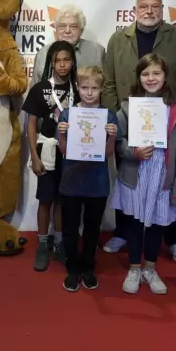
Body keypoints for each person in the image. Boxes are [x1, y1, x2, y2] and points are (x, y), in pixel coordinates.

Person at [102, 0, 176, 263]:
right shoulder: (117, 39)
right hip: (129, 122)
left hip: (166, 123)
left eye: (155, 7)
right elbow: (108, 82)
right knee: (129, 176)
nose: (149, 11)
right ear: (135, 9)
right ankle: (123, 231)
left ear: (162, 9)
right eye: (143, 6)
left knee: (165, 179)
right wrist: (117, 115)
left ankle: (172, 238)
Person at [113, 53, 176, 295]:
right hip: (136, 173)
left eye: (156, 73)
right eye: (145, 73)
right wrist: (132, 151)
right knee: (135, 223)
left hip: (162, 177)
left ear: (165, 76)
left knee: (157, 224)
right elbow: (116, 139)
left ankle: (150, 268)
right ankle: (134, 267)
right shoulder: (128, 107)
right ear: (139, 77)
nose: (151, 78)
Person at [56, 65, 119, 291]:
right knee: (70, 229)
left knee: (92, 229)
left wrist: (111, 136)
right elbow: (64, 150)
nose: (89, 92)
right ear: (78, 88)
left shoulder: (109, 116)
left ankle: (89, 268)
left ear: (101, 89)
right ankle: (72, 268)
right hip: (71, 182)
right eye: (84, 87)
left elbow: (109, 153)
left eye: (94, 88)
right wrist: (62, 132)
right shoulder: (68, 114)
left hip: (97, 183)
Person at [22, 41, 78, 271]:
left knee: (62, 200)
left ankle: (59, 243)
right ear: (51, 63)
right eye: (57, 61)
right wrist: (34, 156)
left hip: (71, 153)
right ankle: (43, 243)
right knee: (45, 199)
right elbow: (31, 124)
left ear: (73, 62)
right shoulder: (40, 88)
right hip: (46, 150)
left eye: (66, 60)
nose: (62, 65)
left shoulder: (80, 88)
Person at [30, 4, 105, 84]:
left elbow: (106, 87)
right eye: (62, 26)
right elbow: (34, 89)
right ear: (56, 29)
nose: (67, 31)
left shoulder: (97, 51)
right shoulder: (43, 53)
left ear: (81, 30)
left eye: (73, 26)